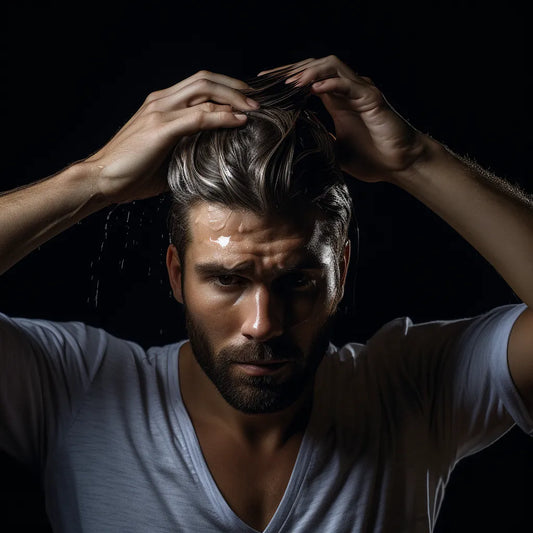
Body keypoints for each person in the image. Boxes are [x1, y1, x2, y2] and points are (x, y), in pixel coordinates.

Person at [0, 55, 531, 532]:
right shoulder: (72, 388)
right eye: (227, 279)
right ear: (174, 273)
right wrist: (91, 180)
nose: (263, 323)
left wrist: (416, 160)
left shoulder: (415, 390)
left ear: (340, 272)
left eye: (297, 281)